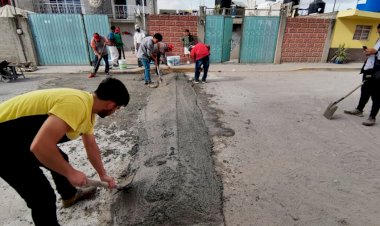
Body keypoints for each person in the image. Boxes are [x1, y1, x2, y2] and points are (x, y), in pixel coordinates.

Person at [0, 77, 130, 226]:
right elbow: (40, 146)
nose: (115, 111)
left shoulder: (87, 108)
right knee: (42, 197)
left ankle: (69, 196)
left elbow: (91, 145)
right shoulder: (75, 105)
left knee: (60, 158)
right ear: (111, 105)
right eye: (117, 108)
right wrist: (71, 173)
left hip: (19, 137)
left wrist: (103, 174)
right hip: (4, 143)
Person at [344, 23, 380, 126]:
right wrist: (370, 53)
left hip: (378, 73)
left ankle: (372, 117)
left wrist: (376, 53)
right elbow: (375, 54)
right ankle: (359, 110)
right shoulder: (378, 41)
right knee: (365, 91)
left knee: (376, 96)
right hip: (369, 69)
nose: (378, 32)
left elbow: (377, 54)